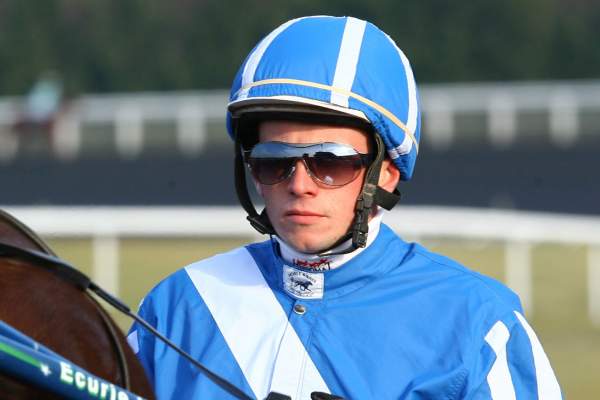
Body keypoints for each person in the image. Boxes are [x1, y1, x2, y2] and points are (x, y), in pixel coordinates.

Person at [128, 16, 562, 399]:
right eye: (273, 162)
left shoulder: (480, 326)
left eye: (329, 162)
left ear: (386, 173)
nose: (299, 185)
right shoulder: (176, 307)